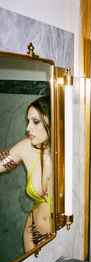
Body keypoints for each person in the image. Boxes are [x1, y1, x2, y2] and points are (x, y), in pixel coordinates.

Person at [0, 95, 52, 252]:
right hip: (33, 235)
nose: (28, 128)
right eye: (28, 121)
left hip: (66, 238)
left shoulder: (73, 154)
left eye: (35, 122)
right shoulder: (27, 148)